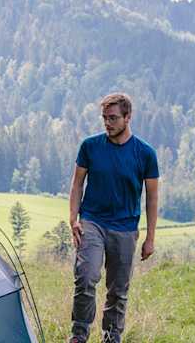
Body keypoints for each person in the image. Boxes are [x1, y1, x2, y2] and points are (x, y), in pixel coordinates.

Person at [68, 92, 159, 343]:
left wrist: (150, 238)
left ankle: (111, 336)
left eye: (113, 118)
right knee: (86, 277)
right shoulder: (90, 146)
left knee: (118, 291)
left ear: (128, 117)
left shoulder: (145, 154)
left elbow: (152, 199)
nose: (107, 123)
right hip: (92, 221)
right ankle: (78, 335)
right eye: (104, 118)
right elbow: (77, 185)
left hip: (125, 228)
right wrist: (73, 218)